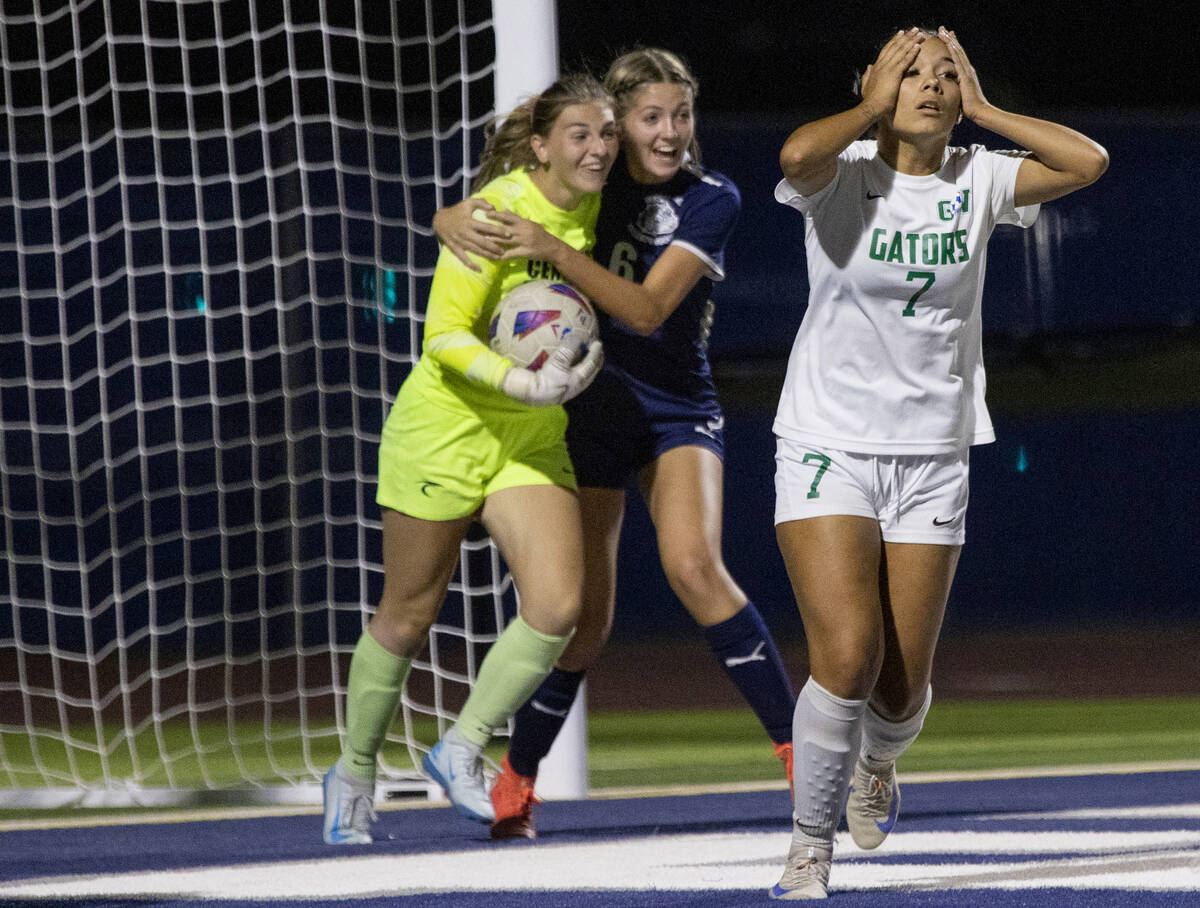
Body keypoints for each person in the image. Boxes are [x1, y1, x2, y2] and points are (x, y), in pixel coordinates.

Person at [767, 26, 1107, 898]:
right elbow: (797, 149)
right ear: (877, 86)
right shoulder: (840, 176)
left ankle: (879, 761)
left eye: (945, 75)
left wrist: (988, 109)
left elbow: (1087, 161)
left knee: (899, 687)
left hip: (933, 454)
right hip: (827, 441)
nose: (931, 86)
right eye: (912, 73)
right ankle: (808, 846)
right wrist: (870, 106)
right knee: (843, 655)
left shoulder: (979, 178)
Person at [434, 47, 797, 840]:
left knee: (695, 567)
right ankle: (516, 782)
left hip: (675, 408)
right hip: (588, 412)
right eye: (651, 118)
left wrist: (558, 252)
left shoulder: (712, 197)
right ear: (616, 124)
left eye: (683, 115)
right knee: (582, 622)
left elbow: (643, 312)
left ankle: (807, 756)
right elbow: (506, 197)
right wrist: (448, 216)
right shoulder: (590, 182)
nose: (671, 133)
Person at [321, 73, 617, 845]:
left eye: (606, 133)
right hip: (445, 428)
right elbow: (443, 337)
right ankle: (353, 772)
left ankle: (460, 746)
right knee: (409, 613)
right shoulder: (494, 216)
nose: (598, 147)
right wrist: (521, 377)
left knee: (558, 606)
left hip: (527, 438)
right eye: (580, 134)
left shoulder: (594, 204)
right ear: (544, 144)